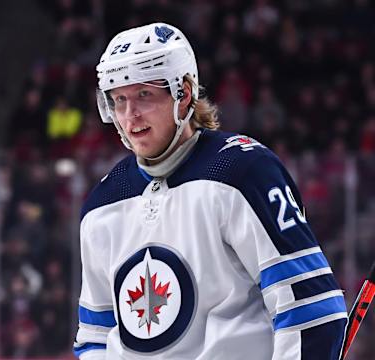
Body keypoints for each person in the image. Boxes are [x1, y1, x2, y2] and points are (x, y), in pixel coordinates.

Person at [73, 22, 347, 359]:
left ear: (183, 93)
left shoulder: (244, 172)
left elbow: (312, 310)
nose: (130, 116)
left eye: (144, 94)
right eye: (119, 100)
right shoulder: (102, 206)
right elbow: (95, 336)